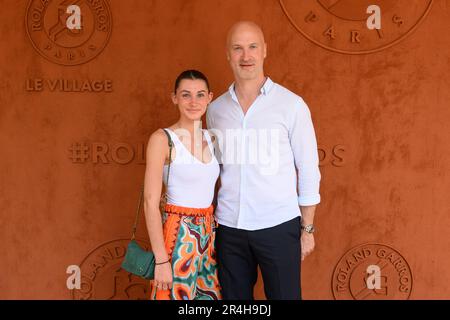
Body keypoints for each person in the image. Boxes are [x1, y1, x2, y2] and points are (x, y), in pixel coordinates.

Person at [206, 21, 321, 300]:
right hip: (229, 229)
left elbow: (308, 169)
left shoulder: (291, 105)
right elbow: (213, 170)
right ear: (228, 54)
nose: (246, 56)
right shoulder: (215, 110)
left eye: (252, 47)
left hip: (279, 227)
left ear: (265, 51)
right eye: (238, 48)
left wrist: (306, 229)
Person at [143, 70, 221, 300]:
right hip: (179, 234)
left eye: (200, 94)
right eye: (186, 95)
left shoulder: (213, 138)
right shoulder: (162, 139)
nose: (193, 102)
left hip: (209, 235)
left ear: (210, 97)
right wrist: (161, 259)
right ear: (174, 98)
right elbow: (150, 202)